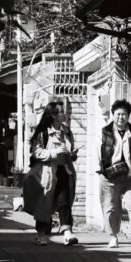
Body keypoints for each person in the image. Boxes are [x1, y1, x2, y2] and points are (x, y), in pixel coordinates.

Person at [22, 101, 78, 246]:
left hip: (64, 170)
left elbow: (70, 150)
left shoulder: (67, 131)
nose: (64, 114)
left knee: (64, 202)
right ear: (54, 115)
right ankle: (41, 234)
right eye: (61, 111)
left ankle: (67, 233)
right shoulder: (43, 133)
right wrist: (55, 152)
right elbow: (37, 152)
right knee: (44, 202)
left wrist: (72, 155)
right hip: (47, 172)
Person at [99, 99, 131, 249]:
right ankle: (113, 236)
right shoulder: (105, 132)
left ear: (128, 116)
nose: (121, 117)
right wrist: (103, 171)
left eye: (124, 114)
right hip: (109, 177)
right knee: (111, 207)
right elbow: (97, 153)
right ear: (113, 115)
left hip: (129, 177)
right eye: (118, 114)